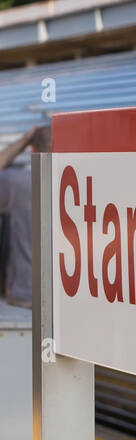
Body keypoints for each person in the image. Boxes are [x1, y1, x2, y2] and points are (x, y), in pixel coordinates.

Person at [0, 124, 49, 309]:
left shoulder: (17, 183)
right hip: (67, 297)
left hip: (26, 295)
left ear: (32, 150)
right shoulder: (82, 183)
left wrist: (24, 140)